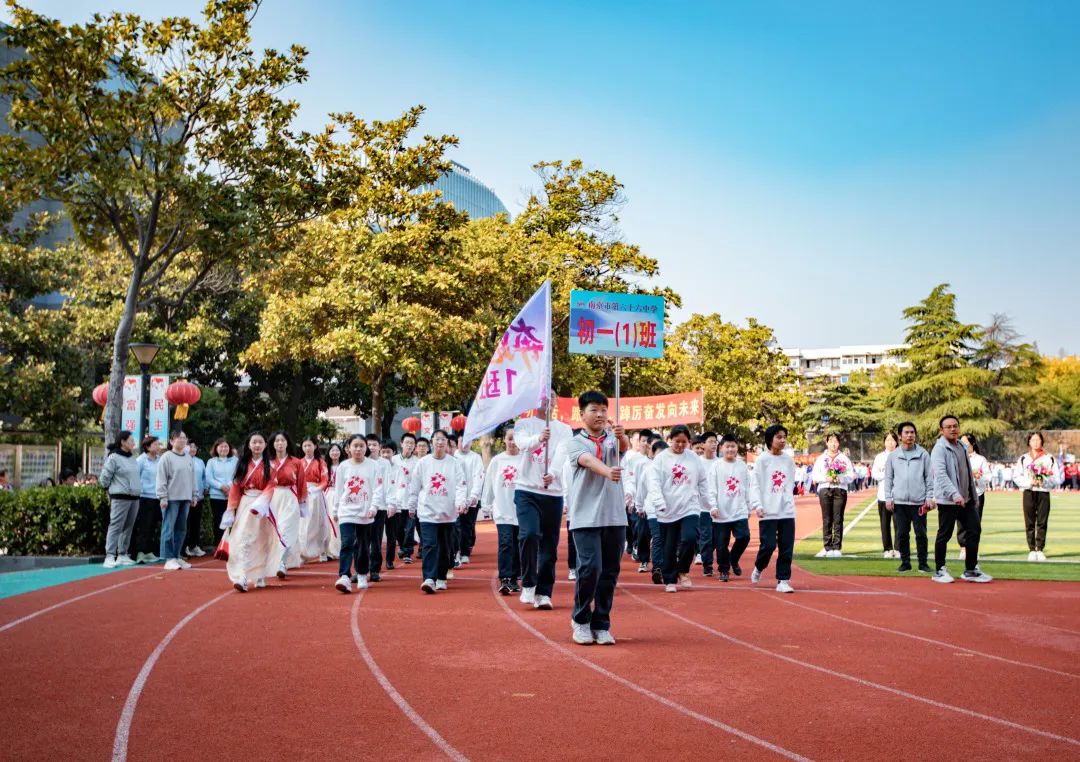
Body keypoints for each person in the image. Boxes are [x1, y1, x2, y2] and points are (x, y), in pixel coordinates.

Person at [563, 390, 628, 646]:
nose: (600, 414)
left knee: (609, 573)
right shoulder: (576, 442)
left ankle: (601, 623)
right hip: (585, 517)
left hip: (615, 516)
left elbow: (623, 449)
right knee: (590, 568)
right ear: (582, 414)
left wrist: (622, 439)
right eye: (594, 410)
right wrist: (608, 471)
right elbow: (588, 461)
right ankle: (580, 620)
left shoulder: (612, 439)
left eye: (603, 410)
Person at [512, 416, 572, 610]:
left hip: (552, 492)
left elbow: (563, 453)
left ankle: (544, 592)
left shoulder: (564, 429)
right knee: (529, 534)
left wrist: (552, 473)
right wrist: (539, 438)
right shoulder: (523, 424)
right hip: (527, 490)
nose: (548, 400)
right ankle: (529, 583)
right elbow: (521, 444)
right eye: (545, 396)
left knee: (549, 545)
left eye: (552, 397)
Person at [647, 424, 711, 593]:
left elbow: (703, 482)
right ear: (670, 440)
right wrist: (659, 502)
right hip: (667, 508)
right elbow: (654, 482)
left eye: (684, 442)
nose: (681, 445)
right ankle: (669, 579)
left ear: (689, 442)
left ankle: (682, 571)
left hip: (690, 507)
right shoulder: (661, 459)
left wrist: (710, 503)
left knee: (690, 538)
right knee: (668, 546)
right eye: (677, 442)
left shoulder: (694, 458)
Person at [930, 416, 992, 583]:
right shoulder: (939, 448)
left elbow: (968, 473)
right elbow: (941, 475)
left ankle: (970, 569)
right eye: (948, 427)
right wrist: (954, 494)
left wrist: (973, 495)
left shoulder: (962, 447)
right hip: (948, 500)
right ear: (941, 430)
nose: (952, 429)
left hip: (967, 499)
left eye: (955, 426)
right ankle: (940, 570)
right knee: (945, 534)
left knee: (974, 530)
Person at [408, 430, 467, 593]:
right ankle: (429, 578)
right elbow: (415, 486)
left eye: (443, 439)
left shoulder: (454, 463)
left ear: (447, 443)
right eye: (437, 439)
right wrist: (411, 506)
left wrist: (461, 502)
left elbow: (461, 485)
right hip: (427, 512)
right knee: (429, 545)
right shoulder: (423, 463)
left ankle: (441, 577)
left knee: (445, 547)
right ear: (431, 442)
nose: (440, 442)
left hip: (448, 513)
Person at [224, 432, 282, 592]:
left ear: (265, 445)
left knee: (262, 539)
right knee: (243, 539)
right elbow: (235, 488)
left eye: (260, 442)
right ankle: (242, 576)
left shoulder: (271, 466)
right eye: (254, 442)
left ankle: (260, 574)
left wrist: (262, 503)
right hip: (245, 504)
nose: (257, 445)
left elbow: (271, 486)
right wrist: (230, 509)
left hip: (264, 506)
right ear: (249, 445)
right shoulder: (242, 464)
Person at [333, 435, 384, 593]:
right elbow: (339, 489)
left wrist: (374, 507)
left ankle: (362, 573)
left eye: (361, 446)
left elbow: (378, 489)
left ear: (365, 448)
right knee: (347, 543)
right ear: (348, 448)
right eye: (355, 446)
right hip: (346, 511)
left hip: (365, 512)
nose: (358, 449)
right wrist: (335, 509)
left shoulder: (374, 466)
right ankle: (344, 576)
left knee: (362, 545)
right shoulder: (343, 466)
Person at [749, 424, 796, 594]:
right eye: (779, 437)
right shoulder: (762, 460)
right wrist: (758, 505)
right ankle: (759, 567)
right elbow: (755, 484)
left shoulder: (788, 460)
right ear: (770, 439)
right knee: (768, 546)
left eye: (784, 437)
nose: (782, 440)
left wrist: (788, 501)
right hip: (767, 509)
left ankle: (783, 580)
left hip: (786, 510)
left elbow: (790, 483)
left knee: (786, 546)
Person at [883, 422, 933, 574]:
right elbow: (889, 478)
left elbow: (929, 478)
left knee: (921, 534)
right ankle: (905, 563)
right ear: (900, 436)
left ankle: (923, 563)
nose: (910, 435)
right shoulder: (893, 456)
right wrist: (888, 498)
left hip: (919, 502)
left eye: (912, 432)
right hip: (899, 502)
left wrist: (929, 497)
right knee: (902, 534)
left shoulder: (923, 454)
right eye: (906, 432)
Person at [705, 434, 751, 582]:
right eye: (727, 446)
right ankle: (724, 569)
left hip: (739, 509)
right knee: (721, 544)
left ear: (737, 448)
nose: (730, 449)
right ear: (721, 448)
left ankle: (733, 559)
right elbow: (711, 488)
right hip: (721, 512)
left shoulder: (742, 466)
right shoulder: (716, 466)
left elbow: (747, 488)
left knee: (744, 537)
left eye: (733, 446)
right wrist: (713, 506)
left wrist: (748, 507)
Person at [485, 429, 522, 594]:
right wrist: (486, 505)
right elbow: (489, 483)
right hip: (502, 508)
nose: (512, 442)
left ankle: (515, 578)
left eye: (515, 439)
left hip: (522, 511)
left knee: (519, 544)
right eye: (509, 439)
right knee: (506, 543)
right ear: (504, 441)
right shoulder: (497, 461)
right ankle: (505, 578)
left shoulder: (525, 459)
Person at [98, 430, 142, 568]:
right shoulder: (114, 457)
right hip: (120, 497)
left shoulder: (132, 458)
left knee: (128, 526)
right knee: (116, 525)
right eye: (131, 440)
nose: (133, 443)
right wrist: (109, 491)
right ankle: (110, 555)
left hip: (134, 497)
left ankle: (123, 554)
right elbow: (104, 478)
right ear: (122, 441)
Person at [155, 429, 196, 571]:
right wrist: (162, 497)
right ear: (172, 441)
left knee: (181, 529)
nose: (182, 440)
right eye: (179, 438)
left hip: (185, 498)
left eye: (184, 438)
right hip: (171, 499)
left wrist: (194, 495)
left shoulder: (188, 457)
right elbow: (161, 478)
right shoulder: (166, 457)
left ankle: (177, 555)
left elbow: (192, 478)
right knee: (168, 528)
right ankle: (168, 558)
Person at [269, 431, 308, 576]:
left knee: (286, 530)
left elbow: (301, 483)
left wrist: (302, 503)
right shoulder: (268, 461)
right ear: (272, 444)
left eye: (282, 440)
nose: (280, 443)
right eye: (277, 441)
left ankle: (282, 563)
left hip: (290, 498)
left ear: (287, 443)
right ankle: (272, 561)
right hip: (272, 497)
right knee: (273, 532)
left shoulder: (296, 462)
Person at [1014, 431, 1057, 561]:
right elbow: (1016, 476)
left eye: (1038, 440)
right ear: (1029, 442)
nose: (1035, 442)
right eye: (1033, 440)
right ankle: (1032, 549)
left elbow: (1056, 477)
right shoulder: (1023, 458)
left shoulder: (1049, 458)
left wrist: (1044, 481)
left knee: (1042, 521)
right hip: (1028, 491)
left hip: (1043, 492)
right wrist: (1029, 482)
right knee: (1030, 521)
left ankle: (1040, 548)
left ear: (1042, 441)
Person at [812, 434, 854, 558]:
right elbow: (815, 476)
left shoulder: (844, 459)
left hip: (839, 490)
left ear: (839, 443)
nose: (833, 444)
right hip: (825, 489)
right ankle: (827, 546)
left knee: (838, 519)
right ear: (827, 443)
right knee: (826, 519)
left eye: (835, 441)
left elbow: (851, 476)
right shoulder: (821, 459)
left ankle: (836, 547)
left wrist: (840, 479)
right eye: (830, 441)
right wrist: (827, 478)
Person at [451, 433, 485, 566]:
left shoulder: (476, 458)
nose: (464, 444)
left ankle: (465, 552)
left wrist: (473, 496)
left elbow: (478, 477)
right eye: (462, 441)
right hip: (457, 497)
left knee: (467, 526)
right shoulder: (453, 456)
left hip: (471, 498)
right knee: (456, 525)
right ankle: (456, 551)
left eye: (468, 441)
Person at [299, 436, 333, 563]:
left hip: (316, 494)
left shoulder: (321, 462)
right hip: (303, 494)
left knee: (320, 522)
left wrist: (316, 489)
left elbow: (325, 480)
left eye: (309, 445)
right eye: (305, 446)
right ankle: (303, 552)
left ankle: (323, 550)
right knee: (303, 525)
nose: (307, 448)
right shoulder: (299, 462)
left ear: (315, 446)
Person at [958, 433, 990, 561]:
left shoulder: (981, 459)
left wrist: (978, 478)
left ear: (972, 443)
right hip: (960, 495)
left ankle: (973, 549)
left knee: (975, 524)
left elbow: (987, 477)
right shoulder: (957, 457)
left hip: (977, 494)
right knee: (961, 523)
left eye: (966, 442)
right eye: (961, 442)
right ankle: (963, 548)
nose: (963, 445)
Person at [133, 436, 162, 563]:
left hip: (157, 497)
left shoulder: (160, 460)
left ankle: (149, 551)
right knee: (144, 526)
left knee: (153, 525)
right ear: (147, 447)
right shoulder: (141, 460)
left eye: (158, 444)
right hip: (144, 497)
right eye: (155, 444)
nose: (158, 446)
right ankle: (140, 552)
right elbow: (135, 478)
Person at [871, 432, 900, 559]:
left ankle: (898, 548)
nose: (890, 443)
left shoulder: (902, 455)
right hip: (883, 495)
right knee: (885, 524)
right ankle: (887, 549)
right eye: (888, 440)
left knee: (899, 524)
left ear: (897, 442)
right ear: (884, 442)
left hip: (899, 496)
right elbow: (875, 474)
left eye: (893, 440)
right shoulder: (879, 457)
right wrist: (888, 474)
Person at [694, 431, 719, 574]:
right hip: (702, 507)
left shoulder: (720, 462)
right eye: (710, 441)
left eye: (715, 441)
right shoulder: (698, 462)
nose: (714, 444)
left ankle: (706, 555)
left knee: (717, 538)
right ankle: (707, 565)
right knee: (706, 537)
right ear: (703, 444)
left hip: (718, 508)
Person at [393, 435, 420, 564]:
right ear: (401, 443)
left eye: (412, 443)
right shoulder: (393, 460)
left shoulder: (418, 462)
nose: (409, 445)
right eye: (407, 442)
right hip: (397, 499)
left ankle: (407, 551)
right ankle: (403, 547)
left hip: (411, 500)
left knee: (410, 528)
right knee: (398, 528)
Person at [205, 438, 237, 547]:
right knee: (218, 520)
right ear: (216, 448)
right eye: (221, 446)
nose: (224, 448)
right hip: (216, 496)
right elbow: (209, 478)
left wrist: (229, 486)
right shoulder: (211, 462)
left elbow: (237, 476)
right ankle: (219, 545)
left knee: (233, 520)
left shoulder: (235, 460)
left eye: (226, 446)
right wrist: (221, 486)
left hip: (232, 495)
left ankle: (232, 545)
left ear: (230, 448)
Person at [184, 441, 207, 558]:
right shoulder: (183, 459)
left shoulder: (200, 462)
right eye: (190, 446)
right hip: (185, 496)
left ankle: (194, 545)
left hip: (199, 497)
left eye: (194, 447)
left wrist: (205, 487)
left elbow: (204, 477)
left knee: (195, 523)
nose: (192, 449)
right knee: (185, 523)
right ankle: (185, 546)